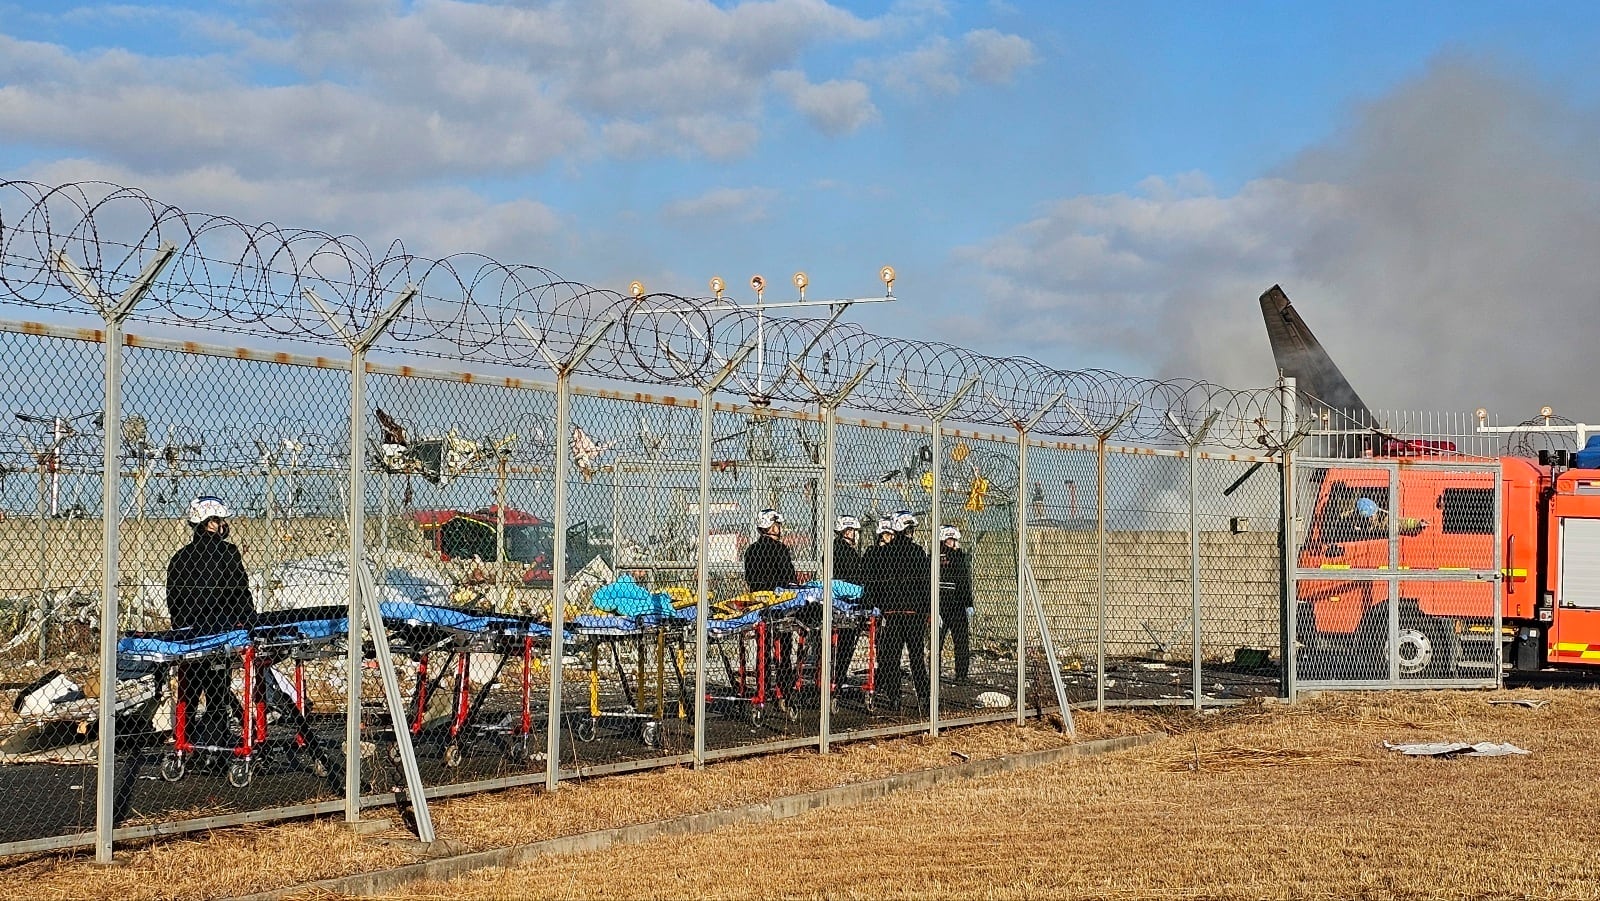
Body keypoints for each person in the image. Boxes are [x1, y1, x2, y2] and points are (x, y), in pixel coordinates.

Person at [166, 495, 257, 745]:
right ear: (210, 523)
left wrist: (183, 626)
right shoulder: (227, 552)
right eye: (219, 520)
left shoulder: (179, 558)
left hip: (190, 635)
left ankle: (185, 738)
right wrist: (249, 624)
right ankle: (215, 741)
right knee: (218, 692)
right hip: (220, 633)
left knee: (191, 690)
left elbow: (173, 600)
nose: (223, 525)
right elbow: (239, 592)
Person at [866, 510, 930, 712]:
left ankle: (894, 698)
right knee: (916, 657)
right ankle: (925, 698)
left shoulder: (882, 554)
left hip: (891, 613)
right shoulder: (918, 553)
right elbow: (926, 585)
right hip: (913, 613)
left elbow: (873, 585)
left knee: (892, 658)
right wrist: (926, 610)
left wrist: (878, 605)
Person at [743, 508, 800, 701]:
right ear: (772, 527)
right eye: (777, 525)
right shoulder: (780, 550)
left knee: (763, 648)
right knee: (783, 649)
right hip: (779, 607)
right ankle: (784, 689)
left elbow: (750, 579)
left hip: (759, 606)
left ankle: (763, 685)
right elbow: (789, 580)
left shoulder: (751, 551)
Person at [830, 515, 865, 687]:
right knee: (846, 640)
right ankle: (839, 676)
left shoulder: (834, 548)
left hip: (838, 600)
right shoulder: (846, 552)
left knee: (837, 641)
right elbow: (854, 576)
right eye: (852, 531)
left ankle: (835, 675)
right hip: (847, 601)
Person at [936, 525, 974, 683]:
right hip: (949, 604)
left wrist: (968, 603)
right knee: (955, 641)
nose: (953, 542)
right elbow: (963, 580)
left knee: (957, 641)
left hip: (951, 604)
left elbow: (964, 581)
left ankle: (960, 674)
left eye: (954, 540)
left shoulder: (938, 556)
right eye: (950, 539)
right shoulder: (952, 557)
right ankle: (960, 674)